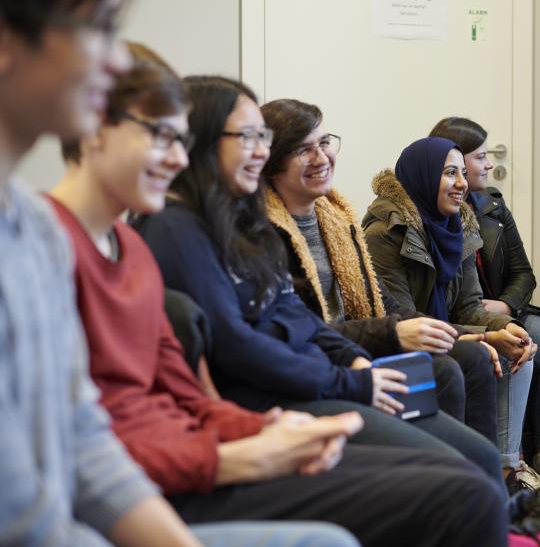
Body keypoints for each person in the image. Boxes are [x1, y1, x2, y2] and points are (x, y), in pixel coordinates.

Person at [48, 41, 504, 547]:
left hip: (249, 416)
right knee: (458, 488)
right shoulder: (156, 232)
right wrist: (254, 439)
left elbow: (193, 390)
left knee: (468, 455)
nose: (175, 156)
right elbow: (224, 352)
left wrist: (266, 423)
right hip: (233, 426)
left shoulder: (152, 242)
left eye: (178, 139)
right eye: (161, 136)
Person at [136, 75, 504, 489]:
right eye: (250, 138)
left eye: (324, 142)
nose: (260, 150)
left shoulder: (296, 218)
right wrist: (353, 375)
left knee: (478, 451)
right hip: (284, 392)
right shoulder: (184, 227)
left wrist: (354, 359)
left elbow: (293, 313)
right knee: (461, 474)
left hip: (325, 366)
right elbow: (238, 344)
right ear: (202, 142)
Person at [0, 0, 210, 543]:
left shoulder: (36, 230)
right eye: (103, 26)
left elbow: (83, 435)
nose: (118, 60)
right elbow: (24, 524)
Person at [260, 99, 498, 441]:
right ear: (271, 161)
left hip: (361, 339)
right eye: (302, 149)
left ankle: (489, 480)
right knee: (443, 368)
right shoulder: (265, 233)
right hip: (327, 354)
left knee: (472, 354)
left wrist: (458, 333)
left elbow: (383, 301)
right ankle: (451, 477)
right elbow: (303, 333)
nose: (321, 157)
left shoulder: (338, 220)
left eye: (325, 143)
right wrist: (392, 333)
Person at [362, 136, 540, 489]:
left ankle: (503, 469)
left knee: (519, 350)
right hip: (400, 338)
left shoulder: (458, 225)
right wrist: (483, 335)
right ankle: (465, 479)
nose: (462, 183)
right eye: (449, 173)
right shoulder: (385, 232)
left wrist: (507, 327)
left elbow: (470, 306)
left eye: (462, 172)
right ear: (424, 176)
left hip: (443, 331)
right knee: (473, 355)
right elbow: (402, 318)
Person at [429, 117, 540, 497]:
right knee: (509, 351)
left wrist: (505, 304)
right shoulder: (432, 215)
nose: (487, 165)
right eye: (480, 157)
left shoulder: (494, 205)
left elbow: (524, 274)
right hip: (461, 318)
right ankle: (507, 460)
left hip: (504, 308)